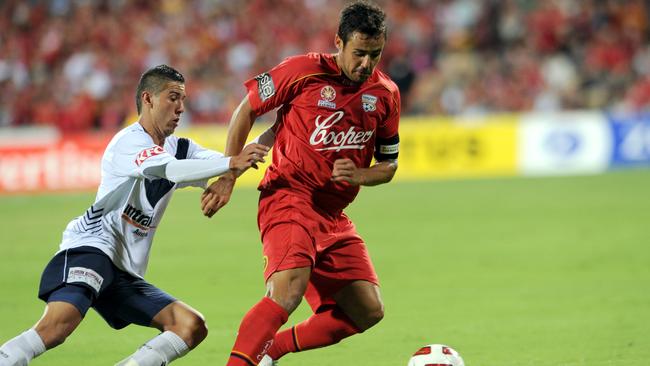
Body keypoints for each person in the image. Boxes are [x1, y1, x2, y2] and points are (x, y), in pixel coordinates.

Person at [0, 64, 269, 366]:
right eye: (173, 97)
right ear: (148, 99)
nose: (181, 107)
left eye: (183, 99)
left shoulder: (179, 147)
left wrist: (275, 130)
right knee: (58, 325)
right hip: (92, 248)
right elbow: (170, 170)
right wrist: (231, 163)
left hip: (122, 270)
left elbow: (223, 163)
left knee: (190, 326)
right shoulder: (128, 142)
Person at [201, 2, 401, 365]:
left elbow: (388, 165)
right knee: (287, 291)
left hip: (333, 215)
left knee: (367, 311)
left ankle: (271, 350)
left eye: (375, 54)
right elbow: (245, 109)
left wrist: (359, 175)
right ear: (338, 42)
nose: (366, 64)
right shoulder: (302, 70)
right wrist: (228, 174)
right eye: (358, 53)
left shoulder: (386, 93)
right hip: (289, 196)